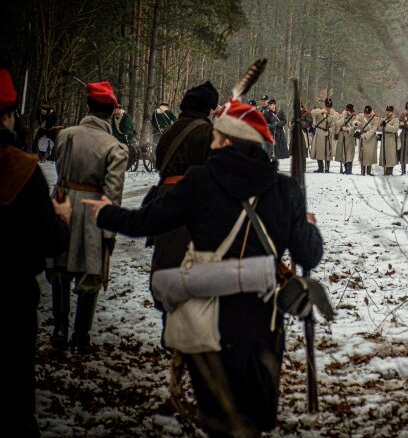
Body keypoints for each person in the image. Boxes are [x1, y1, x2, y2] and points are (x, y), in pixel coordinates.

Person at [82, 98, 323, 437]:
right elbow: (309, 255)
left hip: (207, 320)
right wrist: (308, 225)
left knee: (218, 422)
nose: (211, 141)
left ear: (227, 140)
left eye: (216, 136)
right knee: (253, 422)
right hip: (263, 325)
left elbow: (146, 222)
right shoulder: (285, 190)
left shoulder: (199, 182)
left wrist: (104, 212)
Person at [0, 68, 71, 437]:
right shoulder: (22, 170)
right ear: (8, 116)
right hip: (11, 297)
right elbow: (51, 241)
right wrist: (60, 218)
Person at [48, 81, 128, 353]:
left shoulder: (65, 135)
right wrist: (110, 232)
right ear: (111, 111)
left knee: (59, 270)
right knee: (90, 276)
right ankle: (81, 337)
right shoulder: (115, 147)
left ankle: (59, 329)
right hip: (95, 210)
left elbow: (60, 170)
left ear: (87, 107)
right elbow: (113, 193)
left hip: (62, 205)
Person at [148, 82, 219, 313]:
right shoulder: (208, 133)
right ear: (207, 108)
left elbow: (160, 164)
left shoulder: (169, 131)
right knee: (189, 262)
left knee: (165, 259)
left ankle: (168, 320)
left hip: (164, 199)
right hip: (193, 202)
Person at [309, 97, 338, 173]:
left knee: (328, 151)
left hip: (327, 134)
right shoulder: (319, 111)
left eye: (329, 107)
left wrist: (328, 132)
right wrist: (321, 111)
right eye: (326, 106)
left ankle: (327, 168)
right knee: (319, 150)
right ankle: (320, 167)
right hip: (319, 132)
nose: (328, 108)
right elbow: (312, 112)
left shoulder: (333, 115)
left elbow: (333, 126)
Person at [333, 103, 359, 174]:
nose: (351, 112)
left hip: (350, 137)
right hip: (342, 137)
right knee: (343, 153)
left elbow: (354, 126)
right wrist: (344, 117)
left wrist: (347, 129)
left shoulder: (355, 117)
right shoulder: (341, 116)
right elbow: (338, 124)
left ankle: (349, 170)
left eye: (351, 111)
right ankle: (345, 169)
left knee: (349, 154)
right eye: (349, 111)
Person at [356, 105, 380, 176]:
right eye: (365, 113)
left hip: (370, 138)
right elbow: (355, 121)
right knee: (362, 153)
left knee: (369, 154)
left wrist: (365, 135)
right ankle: (362, 172)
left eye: (367, 113)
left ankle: (369, 172)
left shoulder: (375, 118)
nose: (366, 114)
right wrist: (357, 123)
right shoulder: (361, 115)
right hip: (362, 135)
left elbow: (373, 129)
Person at [378, 105, 399, 175]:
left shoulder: (395, 119)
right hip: (384, 139)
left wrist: (386, 126)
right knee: (385, 155)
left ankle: (390, 171)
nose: (387, 113)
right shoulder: (384, 119)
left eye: (389, 112)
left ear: (392, 112)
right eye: (387, 111)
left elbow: (395, 129)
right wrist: (381, 123)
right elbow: (380, 129)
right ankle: (386, 169)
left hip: (391, 140)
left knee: (390, 155)